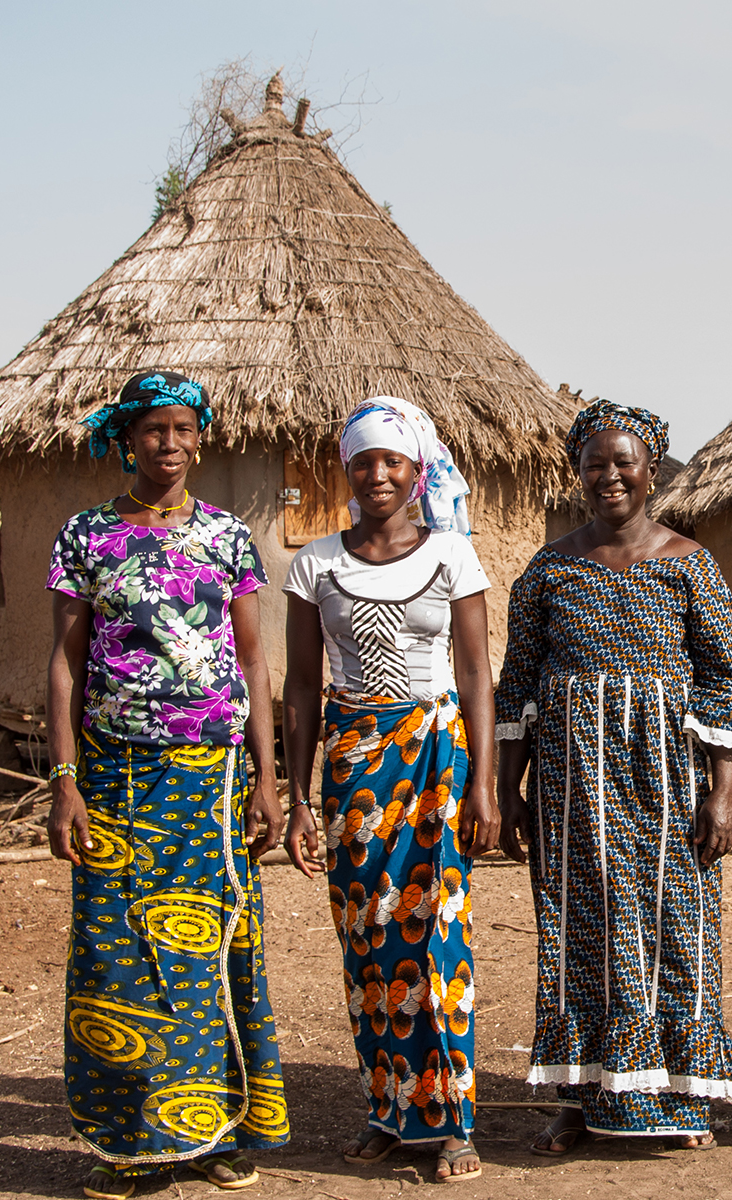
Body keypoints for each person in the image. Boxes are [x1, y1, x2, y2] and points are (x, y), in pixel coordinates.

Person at [45, 370, 286, 1199]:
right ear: (126, 438)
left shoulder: (227, 535)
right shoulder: (85, 536)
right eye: (155, 432)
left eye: (185, 430)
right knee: (118, 956)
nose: (172, 446)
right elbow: (65, 665)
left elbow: (254, 662)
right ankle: (129, 1141)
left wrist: (267, 777)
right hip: (114, 773)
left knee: (215, 950)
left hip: (210, 777)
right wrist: (65, 781)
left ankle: (216, 1130)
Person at [494, 399, 732, 1154]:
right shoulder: (550, 568)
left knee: (677, 923)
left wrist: (725, 789)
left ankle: (675, 1096)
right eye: (594, 464)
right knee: (580, 929)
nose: (609, 476)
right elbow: (519, 686)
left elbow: (720, 683)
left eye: (623, 463)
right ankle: (579, 1098)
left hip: (666, 778)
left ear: (651, 473)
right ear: (577, 474)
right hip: (572, 782)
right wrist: (511, 790)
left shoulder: (688, 562)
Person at [279, 396, 497, 1184]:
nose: (378, 475)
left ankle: (453, 1123)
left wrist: (485, 788)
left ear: (416, 472)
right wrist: (299, 797)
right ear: (347, 471)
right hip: (352, 764)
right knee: (368, 938)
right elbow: (301, 688)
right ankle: (389, 1110)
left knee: (436, 937)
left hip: (435, 761)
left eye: (392, 462)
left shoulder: (453, 557)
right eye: (364, 462)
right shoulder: (315, 564)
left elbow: (476, 675)